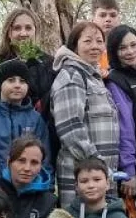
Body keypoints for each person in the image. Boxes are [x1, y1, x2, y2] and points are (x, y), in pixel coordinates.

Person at [50, 21, 120, 207]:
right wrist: (98, 165)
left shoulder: (93, 76)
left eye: (99, 41)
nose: (95, 46)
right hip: (82, 176)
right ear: (75, 46)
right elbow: (71, 129)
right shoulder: (72, 76)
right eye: (88, 41)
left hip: (101, 176)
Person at [104, 25, 136, 202]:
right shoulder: (115, 80)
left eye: (134, 45)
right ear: (113, 52)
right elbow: (125, 127)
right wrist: (129, 169)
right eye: (122, 48)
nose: (130, 51)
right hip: (133, 165)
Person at [0, 7, 56, 116]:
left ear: (36, 32)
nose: (23, 33)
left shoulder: (50, 64)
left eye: (28, 28)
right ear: (9, 33)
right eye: (17, 28)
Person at [0, 136, 56, 218]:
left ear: (41, 166)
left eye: (34, 162)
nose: (27, 168)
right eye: (21, 160)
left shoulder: (49, 202)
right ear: (8, 162)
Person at [69, 157, 134, 218]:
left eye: (97, 180)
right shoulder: (67, 215)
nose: (91, 185)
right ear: (76, 187)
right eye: (84, 181)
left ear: (107, 184)